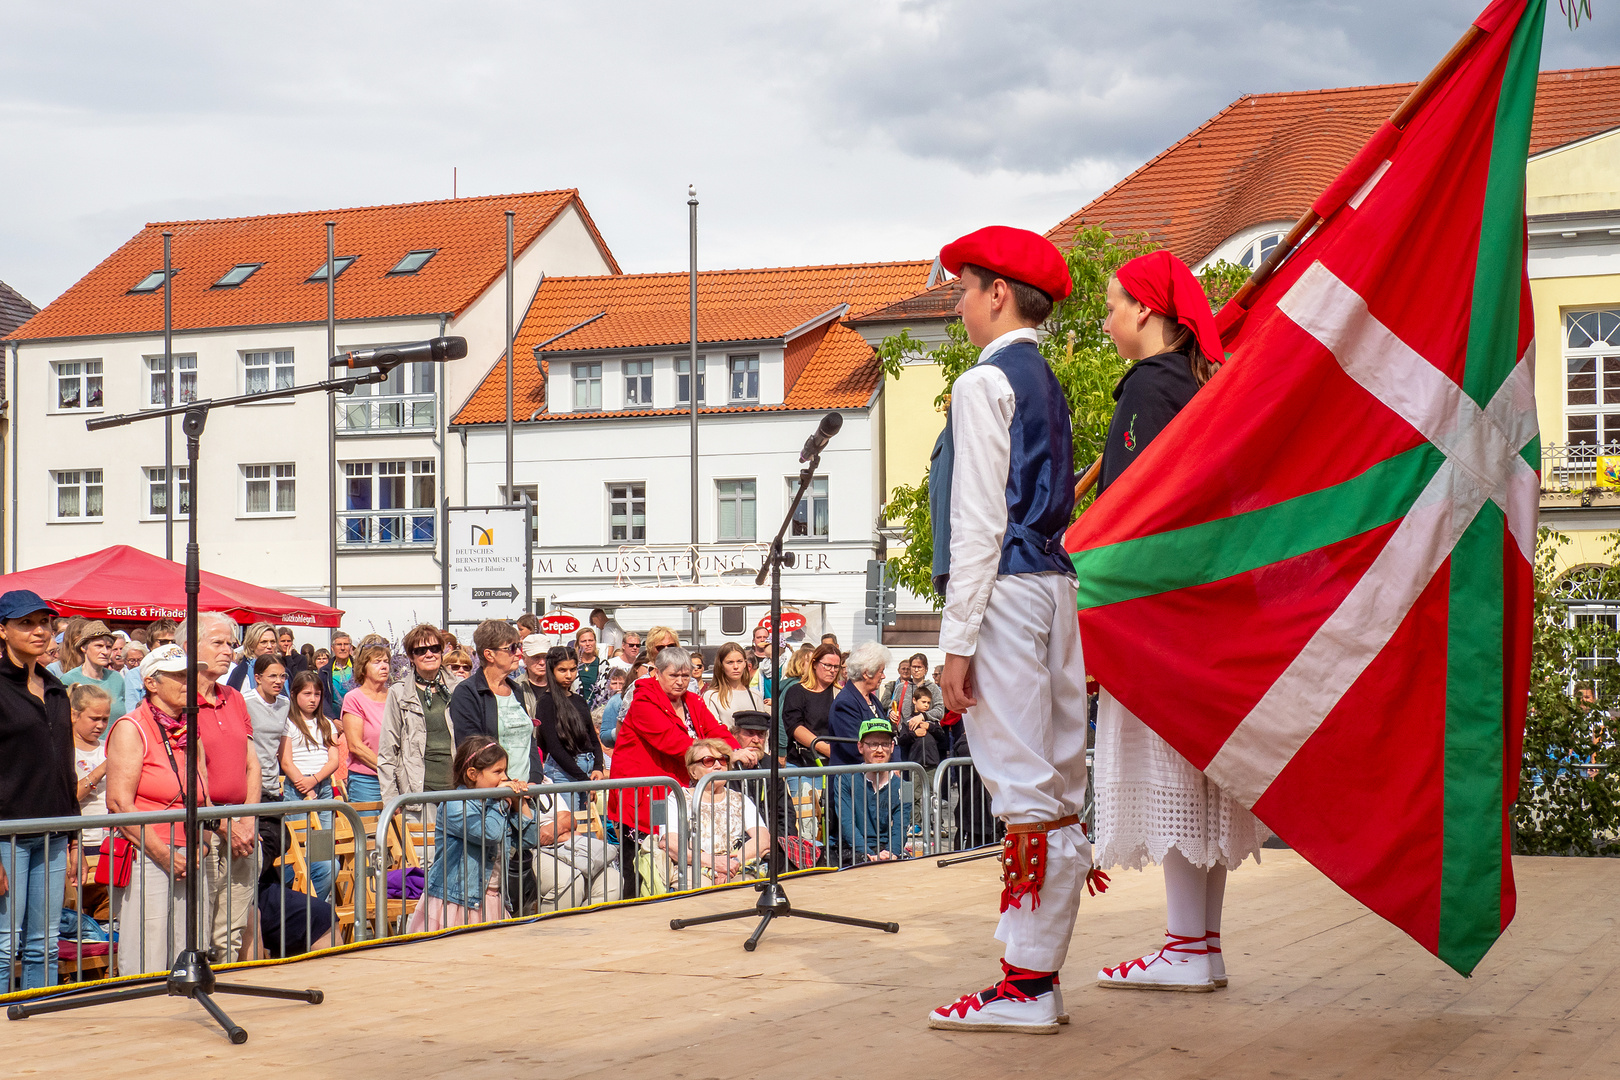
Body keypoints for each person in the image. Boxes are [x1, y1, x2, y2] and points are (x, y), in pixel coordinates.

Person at [926, 226, 1090, 1034]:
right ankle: (1037, 976)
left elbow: (977, 523)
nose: (959, 303)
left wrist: (957, 642)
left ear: (998, 292)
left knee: (1024, 787)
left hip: (1008, 591)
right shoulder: (1044, 379)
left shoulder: (983, 382)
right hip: (1056, 587)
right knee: (1056, 787)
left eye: (964, 288)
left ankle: (1025, 988)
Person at [1090, 250, 1265, 993]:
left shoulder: (1149, 390)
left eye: (1112, 305)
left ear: (1148, 311)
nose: (1105, 321)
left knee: (1172, 777)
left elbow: (1139, 513)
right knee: (1202, 783)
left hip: (1158, 621)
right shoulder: (1200, 387)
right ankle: (1202, 945)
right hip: (1208, 616)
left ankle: (1185, 946)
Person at [607, 647, 752, 896]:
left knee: (676, 856)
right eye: (674, 675)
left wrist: (736, 749)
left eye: (686, 675)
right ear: (657, 674)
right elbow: (672, 741)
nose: (681, 681)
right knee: (643, 862)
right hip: (642, 796)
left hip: (676, 792)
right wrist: (723, 754)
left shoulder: (692, 701)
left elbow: (713, 727)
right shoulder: (643, 702)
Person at [105, 643, 210, 975]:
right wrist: (163, 853)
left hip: (190, 851)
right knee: (147, 949)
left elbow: (203, 796)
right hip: (147, 853)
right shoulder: (131, 727)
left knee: (192, 945)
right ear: (151, 682)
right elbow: (119, 803)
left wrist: (202, 844)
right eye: (178, 676)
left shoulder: (189, 729)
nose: (187, 683)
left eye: (189, 675)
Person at [0, 591, 78, 990]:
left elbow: (64, 764)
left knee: (44, 943)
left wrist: (74, 834)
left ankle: (39, 1016)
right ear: (3, 630)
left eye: (44, 622)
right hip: (6, 835)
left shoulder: (54, 686)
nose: (39, 630)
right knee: (3, 943)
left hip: (52, 831)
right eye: (25, 623)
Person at [184, 611, 264, 964]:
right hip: (205, 827)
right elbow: (189, 771)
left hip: (241, 824)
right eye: (217, 643)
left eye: (230, 644)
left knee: (231, 929)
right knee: (202, 928)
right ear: (190, 647)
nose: (228, 651)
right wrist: (221, 824)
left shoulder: (233, 698)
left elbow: (253, 763)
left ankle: (229, 984)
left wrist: (247, 820)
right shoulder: (180, 701)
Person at [407, 736, 542, 931]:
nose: (505, 777)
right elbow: (490, 834)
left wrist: (520, 802)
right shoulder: (455, 804)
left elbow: (529, 839)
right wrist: (503, 802)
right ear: (472, 774)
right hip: (457, 902)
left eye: (505, 771)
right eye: (497, 771)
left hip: (492, 900)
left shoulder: (496, 803)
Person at [650, 738, 769, 889]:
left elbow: (763, 839)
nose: (718, 766)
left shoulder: (739, 799)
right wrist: (713, 863)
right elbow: (671, 844)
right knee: (700, 892)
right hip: (694, 866)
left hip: (736, 865)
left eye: (723, 760)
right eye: (709, 761)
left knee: (744, 890)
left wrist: (733, 862)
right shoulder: (678, 798)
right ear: (693, 771)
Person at [379, 624, 460, 823]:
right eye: (421, 651)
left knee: (460, 853)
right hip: (418, 791)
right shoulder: (399, 693)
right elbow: (388, 750)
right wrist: (391, 799)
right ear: (411, 657)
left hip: (459, 790)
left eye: (434, 649)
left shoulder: (460, 688)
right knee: (426, 853)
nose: (429, 654)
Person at [449, 620, 543, 784]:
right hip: (493, 795)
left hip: (527, 791)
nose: (519, 653)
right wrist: (504, 783)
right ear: (489, 654)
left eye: (519, 647)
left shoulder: (516, 691)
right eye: (512, 648)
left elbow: (530, 741)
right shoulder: (467, 693)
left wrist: (535, 779)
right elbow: (472, 748)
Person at [278, 671, 339, 900]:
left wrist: (314, 780)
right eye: (307, 694)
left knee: (323, 854)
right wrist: (303, 784)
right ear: (294, 695)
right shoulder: (289, 724)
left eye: (317, 694)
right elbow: (286, 761)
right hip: (297, 790)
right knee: (301, 848)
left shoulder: (326, 724)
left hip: (321, 787)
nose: (312, 699)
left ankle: (315, 903)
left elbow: (334, 759)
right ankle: (298, 900)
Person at [834, 718, 911, 866]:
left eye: (885, 744)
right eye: (873, 744)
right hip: (853, 849)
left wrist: (892, 853)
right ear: (861, 747)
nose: (880, 750)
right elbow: (846, 823)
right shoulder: (844, 779)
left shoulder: (905, 786)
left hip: (887, 849)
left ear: (892, 746)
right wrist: (868, 853)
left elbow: (902, 824)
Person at [536, 646, 605, 808]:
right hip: (563, 772)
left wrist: (598, 767)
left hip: (587, 769)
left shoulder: (579, 700)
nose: (569, 675)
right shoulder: (546, 702)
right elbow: (555, 747)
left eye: (573, 669)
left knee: (588, 828)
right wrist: (584, 780)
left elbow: (593, 738)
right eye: (562, 670)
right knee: (570, 827)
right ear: (551, 670)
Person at [339, 642, 392, 807]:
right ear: (363, 668)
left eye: (386, 661)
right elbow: (355, 746)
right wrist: (387, 769)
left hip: (396, 781)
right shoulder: (354, 698)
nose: (383, 666)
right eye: (377, 662)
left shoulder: (396, 696)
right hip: (366, 782)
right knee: (369, 833)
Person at [829, 641, 891, 767]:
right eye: (881, 671)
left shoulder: (873, 701)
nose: (884, 676)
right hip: (851, 780)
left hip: (874, 776)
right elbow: (854, 747)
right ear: (866, 673)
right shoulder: (845, 703)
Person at [898, 685, 948, 834]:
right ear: (914, 701)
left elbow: (943, 738)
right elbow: (902, 740)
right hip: (915, 763)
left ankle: (936, 824)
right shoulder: (908, 721)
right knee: (916, 795)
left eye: (928, 703)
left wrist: (930, 727)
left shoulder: (933, 722)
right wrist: (914, 734)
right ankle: (915, 824)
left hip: (932, 763)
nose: (926, 705)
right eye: (923, 702)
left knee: (935, 795)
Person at [784, 643, 841, 766]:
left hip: (834, 763)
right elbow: (794, 727)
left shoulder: (840, 693)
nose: (832, 670)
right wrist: (825, 748)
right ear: (814, 664)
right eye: (827, 665)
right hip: (802, 764)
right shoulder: (796, 692)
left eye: (836, 667)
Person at [243, 653, 290, 803]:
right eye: (272, 676)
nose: (278, 681)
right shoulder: (245, 702)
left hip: (273, 783)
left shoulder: (285, 703)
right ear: (258, 678)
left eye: (282, 676)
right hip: (249, 781)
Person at [61, 620, 128, 721]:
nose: (105, 652)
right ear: (84, 647)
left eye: (108, 647)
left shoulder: (116, 678)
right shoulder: (69, 679)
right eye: (99, 646)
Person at [704, 642, 768, 731]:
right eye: (730, 662)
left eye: (739, 661)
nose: (736, 666)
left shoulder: (755, 695)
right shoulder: (712, 696)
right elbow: (713, 732)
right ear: (721, 665)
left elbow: (763, 731)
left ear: (745, 663)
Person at [227, 622, 279, 691]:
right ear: (251, 645)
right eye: (263, 642)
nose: (269, 646)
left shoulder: (283, 670)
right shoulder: (242, 673)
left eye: (273, 642)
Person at [513, 634, 549, 717]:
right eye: (536, 657)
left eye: (546, 657)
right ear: (524, 659)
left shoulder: (562, 685)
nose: (542, 662)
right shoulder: (515, 687)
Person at [322, 632, 355, 720]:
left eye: (346, 644)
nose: (343, 648)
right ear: (332, 648)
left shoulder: (359, 668)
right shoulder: (324, 671)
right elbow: (322, 697)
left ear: (351, 647)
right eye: (339, 644)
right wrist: (333, 719)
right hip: (333, 719)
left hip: (355, 717)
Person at [574, 627, 604, 700]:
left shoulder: (603, 664)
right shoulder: (573, 665)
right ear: (578, 644)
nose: (588, 644)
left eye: (590, 640)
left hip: (597, 707)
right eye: (583, 641)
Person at [121, 639, 149, 709]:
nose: (136, 664)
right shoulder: (122, 676)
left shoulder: (149, 674)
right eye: (132, 660)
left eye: (140, 660)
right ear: (125, 661)